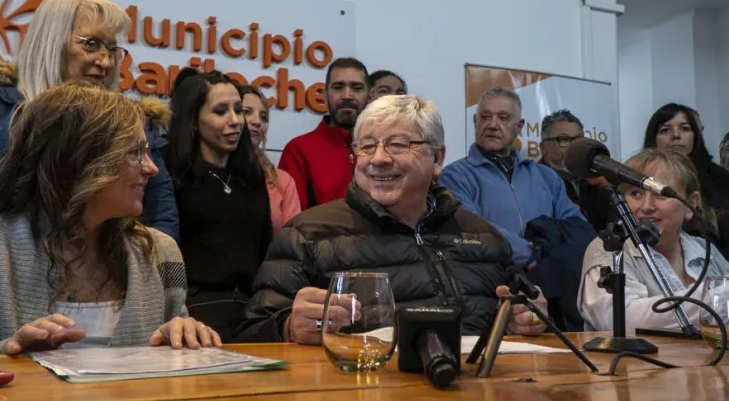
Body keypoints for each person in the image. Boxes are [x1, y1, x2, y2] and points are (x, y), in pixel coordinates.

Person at [0, 84, 220, 356]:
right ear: (79, 159)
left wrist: (183, 338)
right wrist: (6, 353)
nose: (151, 167)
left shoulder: (160, 254)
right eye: (134, 152)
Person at [234, 95, 549, 344]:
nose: (379, 159)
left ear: (437, 158)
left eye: (398, 145)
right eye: (367, 146)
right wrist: (288, 326)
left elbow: (523, 315)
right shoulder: (308, 234)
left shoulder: (484, 237)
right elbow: (250, 332)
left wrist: (525, 318)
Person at [0, 0, 179, 252]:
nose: (105, 60)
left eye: (112, 48)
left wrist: (130, 277)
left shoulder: (132, 126)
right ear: (51, 42)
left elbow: (162, 221)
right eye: (90, 43)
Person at [579, 148, 729, 333]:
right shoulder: (608, 249)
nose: (646, 207)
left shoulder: (702, 249)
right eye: (635, 194)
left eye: (659, 193)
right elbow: (620, 319)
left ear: (692, 204)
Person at [438, 88, 595, 331]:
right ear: (475, 121)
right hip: (490, 289)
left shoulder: (547, 177)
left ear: (519, 126)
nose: (492, 124)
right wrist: (524, 250)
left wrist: (548, 251)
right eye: (485, 117)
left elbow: (575, 225)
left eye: (503, 118)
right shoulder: (455, 175)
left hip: (551, 290)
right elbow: (470, 225)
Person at [165, 70, 272, 341]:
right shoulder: (168, 170)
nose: (236, 121)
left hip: (251, 312)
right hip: (190, 315)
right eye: (221, 111)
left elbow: (264, 248)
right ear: (193, 121)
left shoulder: (251, 174)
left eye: (238, 110)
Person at [643, 103, 729, 266]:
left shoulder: (722, 180)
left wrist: (715, 269)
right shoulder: (640, 178)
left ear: (695, 135)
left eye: (684, 128)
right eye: (665, 130)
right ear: (653, 138)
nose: (676, 135)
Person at [279, 57, 369, 210]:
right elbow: (292, 222)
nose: (347, 95)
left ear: (369, 95)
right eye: (338, 87)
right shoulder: (298, 150)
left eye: (357, 87)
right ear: (325, 94)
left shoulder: (383, 148)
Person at [538, 109, 614, 234]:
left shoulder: (599, 181)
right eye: (564, 139)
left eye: (578, 139)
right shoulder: (536, 182)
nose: (573, 146)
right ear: (543, 147)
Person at [239, 85, 301, 236]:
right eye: (247, 112)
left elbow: (291, 241)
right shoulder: (214, 172)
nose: (257, 122)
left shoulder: (283, 181)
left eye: (263, 117)